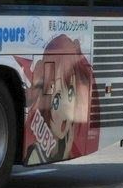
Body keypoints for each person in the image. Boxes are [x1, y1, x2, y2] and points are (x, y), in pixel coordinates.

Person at [24, 35, 94, 164]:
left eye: (72, 93)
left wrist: (67, 151)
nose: (66, 107)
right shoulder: (36, 153)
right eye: (56, 99)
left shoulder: (65, 144)